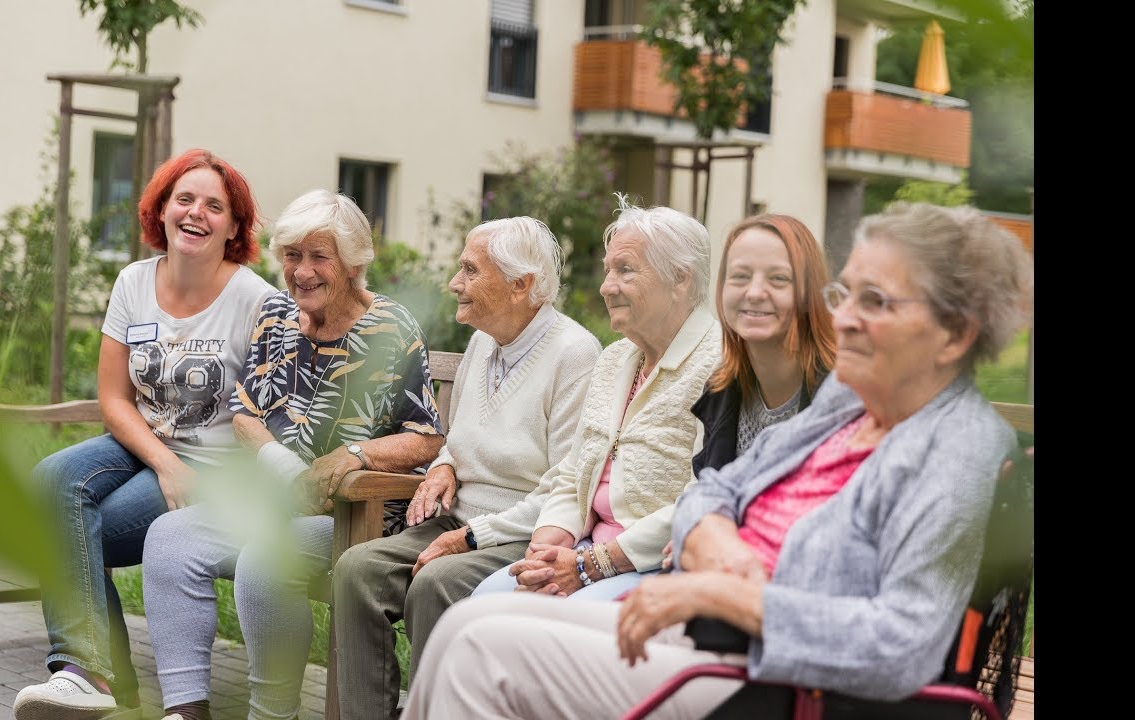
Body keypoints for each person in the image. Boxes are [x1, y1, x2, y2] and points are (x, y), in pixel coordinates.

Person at [399, 201, 1034, 719]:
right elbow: (712, 489)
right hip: (713, 632)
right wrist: (717, 542)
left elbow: (902, 645)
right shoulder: (851, 406)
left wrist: (729, 598)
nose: (845, 316)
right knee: (470, 624)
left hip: (779, 680)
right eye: (848, 293)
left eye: (878, 301)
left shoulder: (959, 451)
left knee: (481, 651)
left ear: (955, 334)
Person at [140, 189, 445, 720]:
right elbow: (246, 411)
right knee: (169, 538)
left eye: (318, 257)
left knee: (265, 557)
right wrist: (285, 469)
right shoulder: (276, 314)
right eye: (292, 256)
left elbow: (426, 436)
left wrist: (351, 456)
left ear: (352, 265)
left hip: (358, 515)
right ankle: (185, 710)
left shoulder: (390, 329)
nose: (301, 272)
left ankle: (272, 712)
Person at [12, 149, 278, 720]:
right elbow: (114, 398)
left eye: (215, 206)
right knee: (49, 484)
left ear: (234, 227)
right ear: (161, 210)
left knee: (83, 533)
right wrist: (163, 461)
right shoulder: (133, 282)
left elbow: (269, 409)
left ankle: (93, 676)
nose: (196, 214)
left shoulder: (254, 299)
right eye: (184, 199)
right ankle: (91, 676)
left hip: (214, 464)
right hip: (149, 448)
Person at [330, 217, 603, 719]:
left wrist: (472, 536)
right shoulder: (486, 340)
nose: (455, 283)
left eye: (469, 271)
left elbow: (569, 486)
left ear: (521, 285)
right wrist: (445, 466)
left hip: (522, 533)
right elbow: (463, 439)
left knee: (438, 582)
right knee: (357, 570)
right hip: (459, 521)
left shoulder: (575, 355)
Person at [470, 195, 724, 601]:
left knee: (557, 618)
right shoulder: (616, 359)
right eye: (608, 270)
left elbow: (705, 498)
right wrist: (547, 544)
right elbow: (575, 472)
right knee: (489, 598)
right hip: (584, 551)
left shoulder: (718, 364)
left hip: (657, 563)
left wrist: (594, 564)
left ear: (681, 279)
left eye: (625, 270)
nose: (607, 287)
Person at [690, 213, 836, 476]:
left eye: (779, 278)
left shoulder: (844, 394)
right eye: (740, 276)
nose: (755, 293)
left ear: (809, 291)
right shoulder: (720, 390)